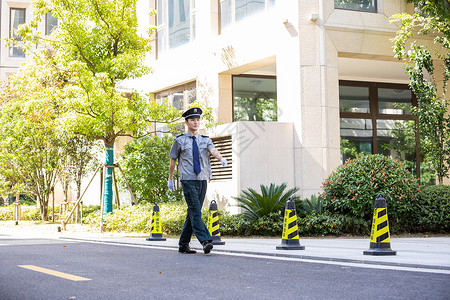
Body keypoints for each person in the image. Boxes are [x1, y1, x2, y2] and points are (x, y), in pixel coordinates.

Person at [168, 107, 228, 254]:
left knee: (193, 211)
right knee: (195, 210)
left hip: (202, 179)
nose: (196, 122)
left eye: (197, 120)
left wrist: (221, 158)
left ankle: (183, 244)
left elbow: (213, 151)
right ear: (186, 122)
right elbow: (173, 160)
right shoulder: (179, 140)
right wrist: (170, 179)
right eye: (192, 120)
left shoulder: (205, 140)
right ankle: (206, 241)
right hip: (188, 180)